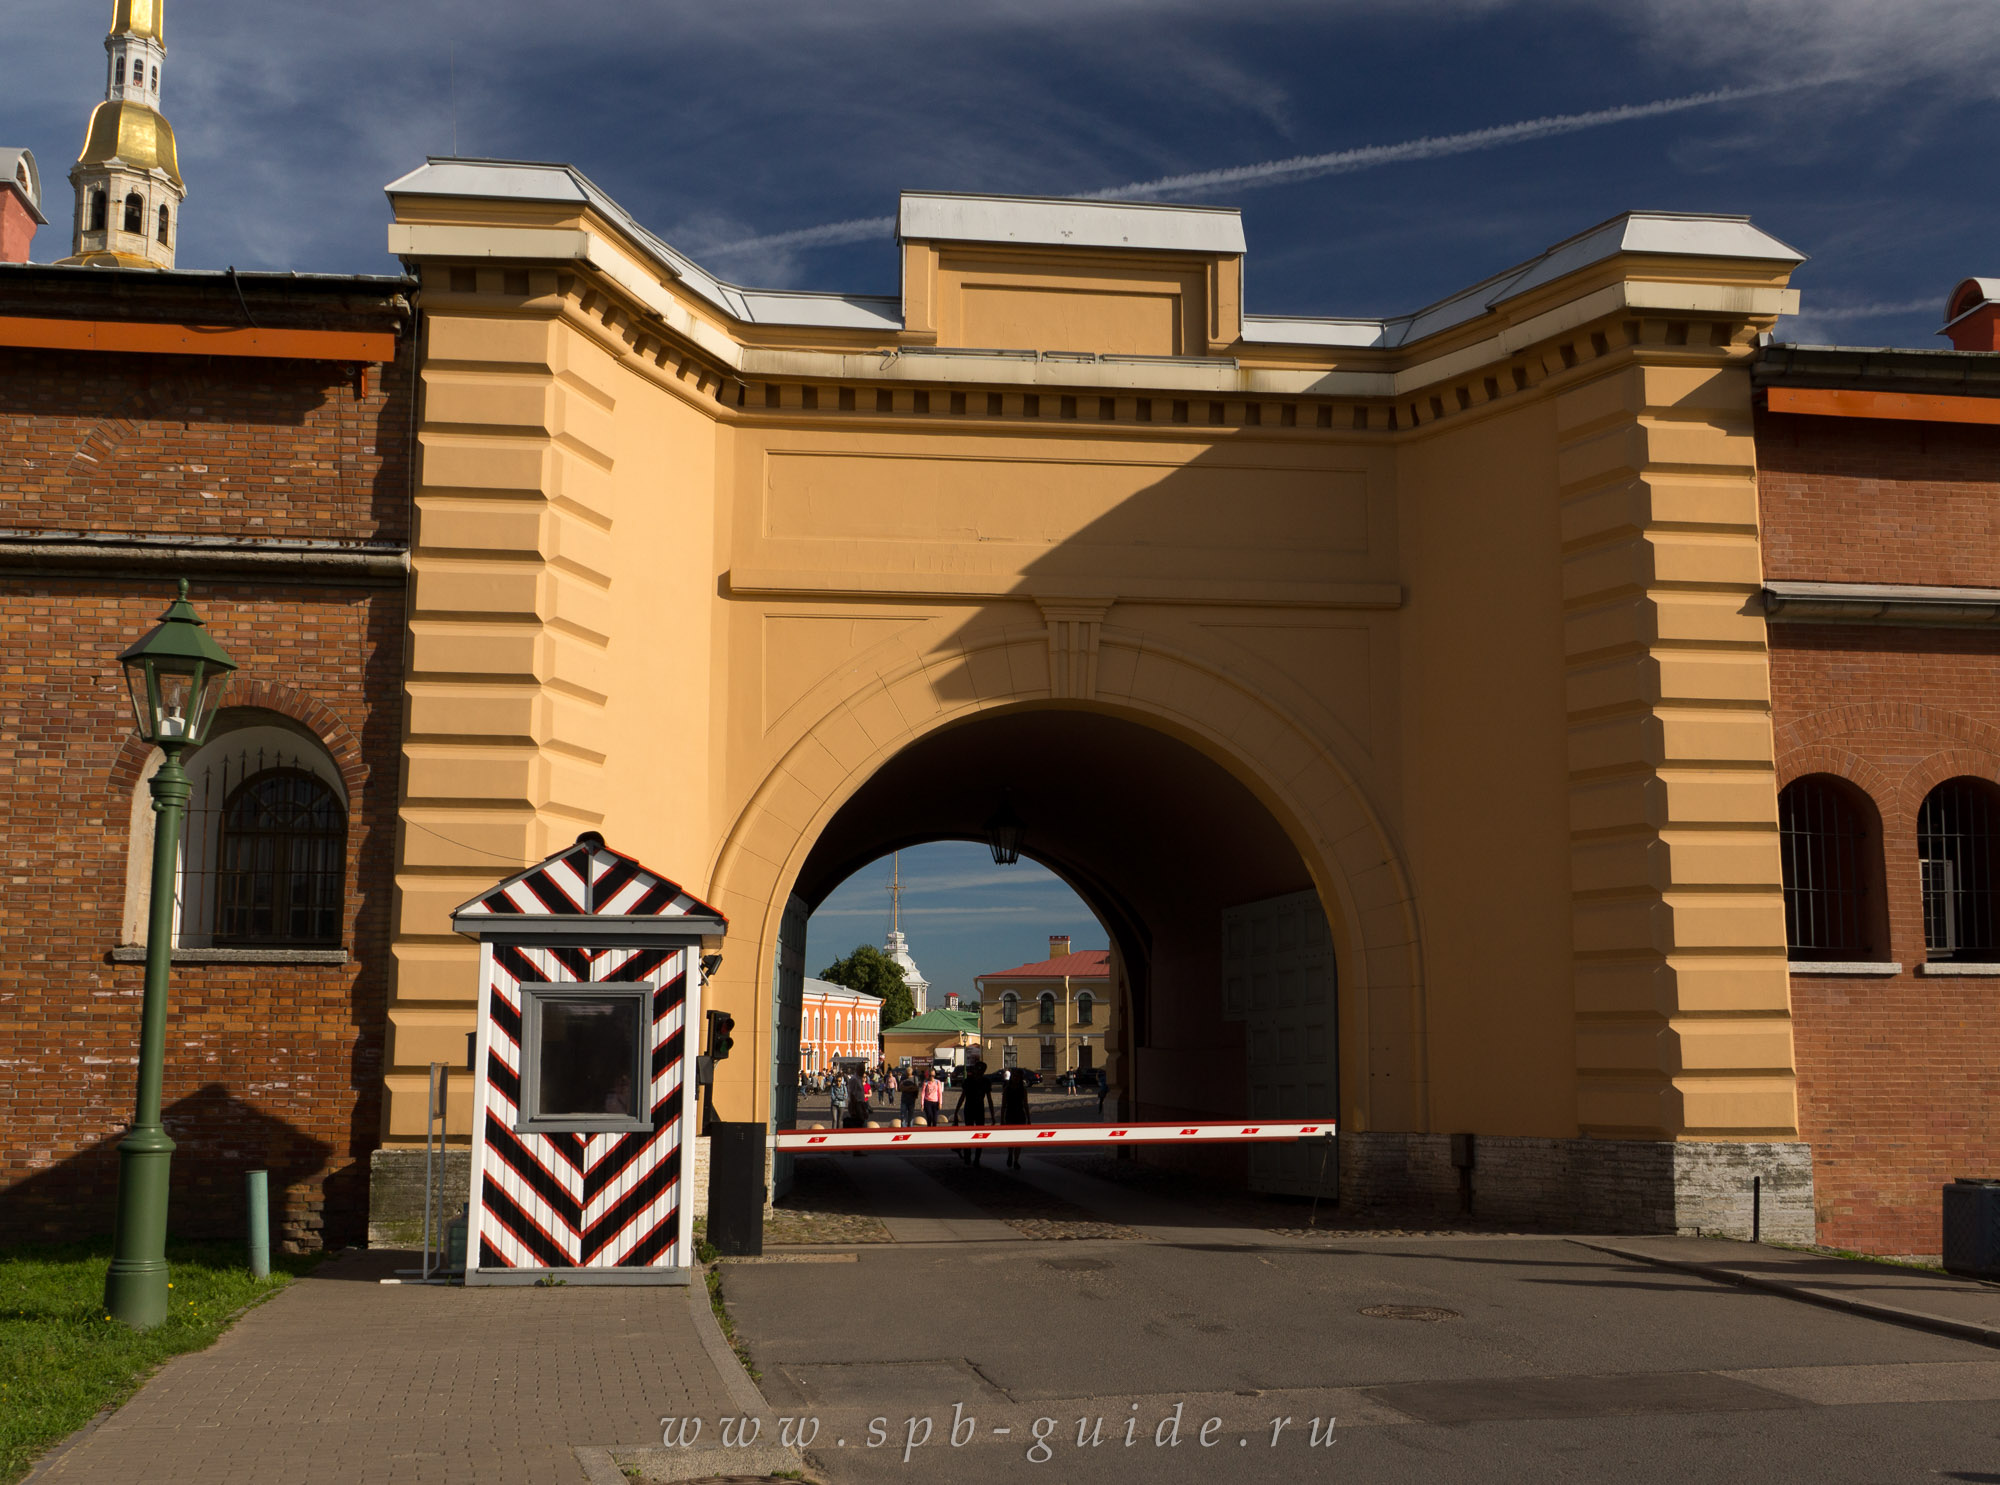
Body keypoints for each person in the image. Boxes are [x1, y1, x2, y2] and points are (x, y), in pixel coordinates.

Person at [953, 1058, 995, 1165]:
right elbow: (963, 1096)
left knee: (976, 1134)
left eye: (981, 1069)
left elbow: (989, 1099)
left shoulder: (977, 1081)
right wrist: (956, 1111)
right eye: (978, 1069)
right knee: (973, 1134)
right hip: (972, 1109)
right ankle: (971, 1157)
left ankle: (975, 1158)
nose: (979, 1071)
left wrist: (956, 1111)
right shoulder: (972, 1081)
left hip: (975, 1109)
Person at [997, 1066, 1031, 1169]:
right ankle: (1010, 1154)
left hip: (1020, 1115)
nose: (1015, 1078)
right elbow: (1003, 1105)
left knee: (1019, 1140)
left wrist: (1028, 1119)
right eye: (1014, 1076)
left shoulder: (1023, 1090)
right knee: (1011, 1139)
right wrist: (1002, 1119)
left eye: (1017, 1077)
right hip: (1010, 1115)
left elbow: (1025, 1104)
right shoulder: (1007, 1089)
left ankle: (1016, 1160)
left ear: (1020, 1078)